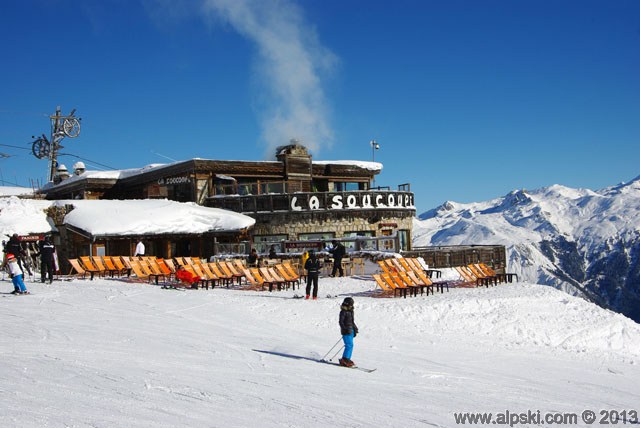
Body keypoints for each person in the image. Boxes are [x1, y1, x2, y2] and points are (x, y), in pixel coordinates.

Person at [339, 297, 358, 367]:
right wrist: (344, 329)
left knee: (351, 345)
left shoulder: (351, 311)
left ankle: (347, 358)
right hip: (346, 331)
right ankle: (345, 359)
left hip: (351, 330)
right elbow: (341, 322)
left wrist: (355, 329)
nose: (352, 305)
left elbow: (352, 322)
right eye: (351, 304)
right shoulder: (343, 312)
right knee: (349, 345)